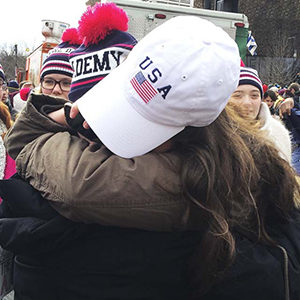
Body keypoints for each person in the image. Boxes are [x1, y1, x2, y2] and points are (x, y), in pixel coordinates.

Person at [1, 16, 300, 300]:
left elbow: (79, 185)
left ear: (191, 135)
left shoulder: (191, 188)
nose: (92, 130)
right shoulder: (257, 172)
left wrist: (59, 118)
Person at [228, 67, 291, 163]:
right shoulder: (213, 133)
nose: (247, 102)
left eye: (254, 95)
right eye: (237, 95)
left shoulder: (278, 133)